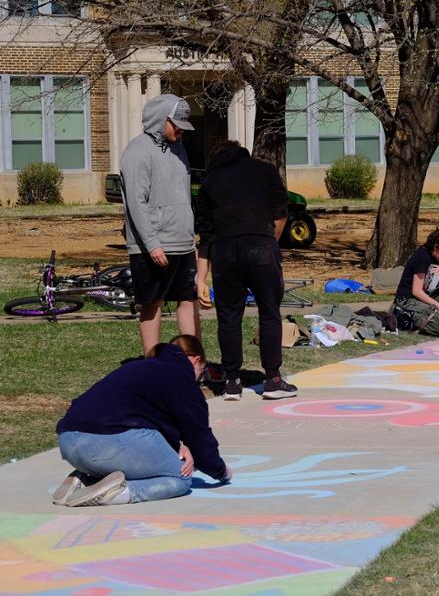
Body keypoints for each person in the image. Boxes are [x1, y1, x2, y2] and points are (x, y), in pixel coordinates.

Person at [52, 335, 231, 507]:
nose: (199, 379)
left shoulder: (140, 368)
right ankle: (119, 492)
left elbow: (143, 416)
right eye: (202, 372)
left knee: (151, 462)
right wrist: (220, 471)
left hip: (68, 441)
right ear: (196, 360)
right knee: (180, 477)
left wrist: (178, 446)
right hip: (105, 443)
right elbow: (198, 436)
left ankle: (85, 479)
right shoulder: (182, 378)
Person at [194, 140, 297, 401]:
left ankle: (231, 381)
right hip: (260, 246)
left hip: (224, 252)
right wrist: (269, 241)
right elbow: (281, 213)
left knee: (228, 316)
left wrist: (201, 278)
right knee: (269, 312)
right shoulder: (264, 170)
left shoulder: (209, 182)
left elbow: (205, 235)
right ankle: (273, 380)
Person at [119, 94, 203, 356]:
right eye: (175, 125)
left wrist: (191, 240)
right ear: (161, 119)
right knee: (152, 303)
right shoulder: (137, 151)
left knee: (188, 301)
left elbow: (183, 196)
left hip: (183, 243)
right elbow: (136, 202)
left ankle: (194, 363)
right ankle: (151, 364)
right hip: (151, 247)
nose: (179, 131)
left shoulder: (180, 149)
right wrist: (152, 244)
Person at [392, 227, 439, 338]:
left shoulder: (438, 256)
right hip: (407, 301)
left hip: (422, 299)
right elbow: (417, 292)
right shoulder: (422, 257)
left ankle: (435, 315)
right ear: (435, 247)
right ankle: (406, 317)